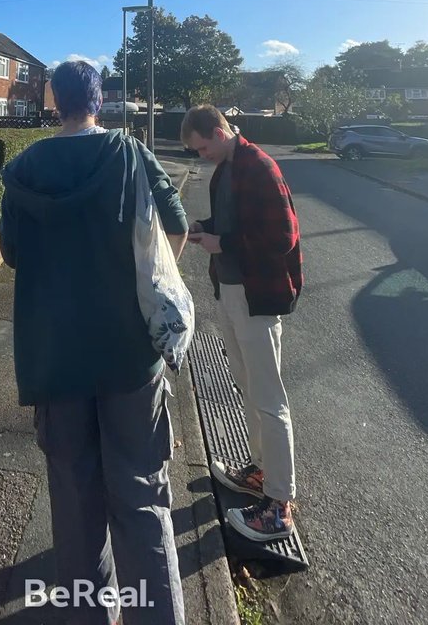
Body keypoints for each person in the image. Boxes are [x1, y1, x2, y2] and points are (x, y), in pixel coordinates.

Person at [0, 60, 188, 624]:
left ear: (53, 100)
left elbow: (11, 254)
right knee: (141, 493)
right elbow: (174, 228)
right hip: (130, 354)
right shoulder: (129, 155)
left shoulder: (25, 167)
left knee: (75, 504)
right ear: (98, 101)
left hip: (54, 355)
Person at [181, 105, 302, 543]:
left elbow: (282, 238)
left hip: (258, 295)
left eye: (202, 147)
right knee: (248, 388)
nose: (202, 155)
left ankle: (279, 505)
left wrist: (222, 241)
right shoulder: (225, 170)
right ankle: (260, 473)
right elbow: (233, 224)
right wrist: (203, 227)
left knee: (270, 399)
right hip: (231, 292)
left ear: (218, 131)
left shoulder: (259, 167)